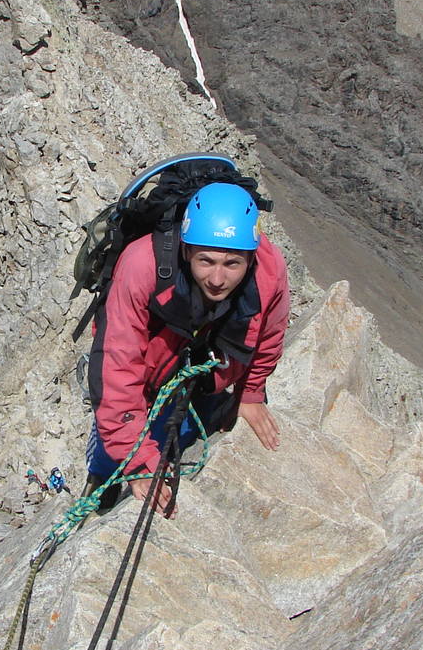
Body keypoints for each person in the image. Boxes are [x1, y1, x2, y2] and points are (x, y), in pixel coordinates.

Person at [84, 182, 290, 517]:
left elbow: (268, 334)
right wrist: (138, 464)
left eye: (232, 264)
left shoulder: (269, 270)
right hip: (146, 371)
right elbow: (116, 367)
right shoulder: (141, 266)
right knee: (114, 445)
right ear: (185, 250)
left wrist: (250, 394)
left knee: (177, 427)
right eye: (206, 261)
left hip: (199, 364)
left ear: (251, 258)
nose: (218, 278)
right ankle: (101, 480)